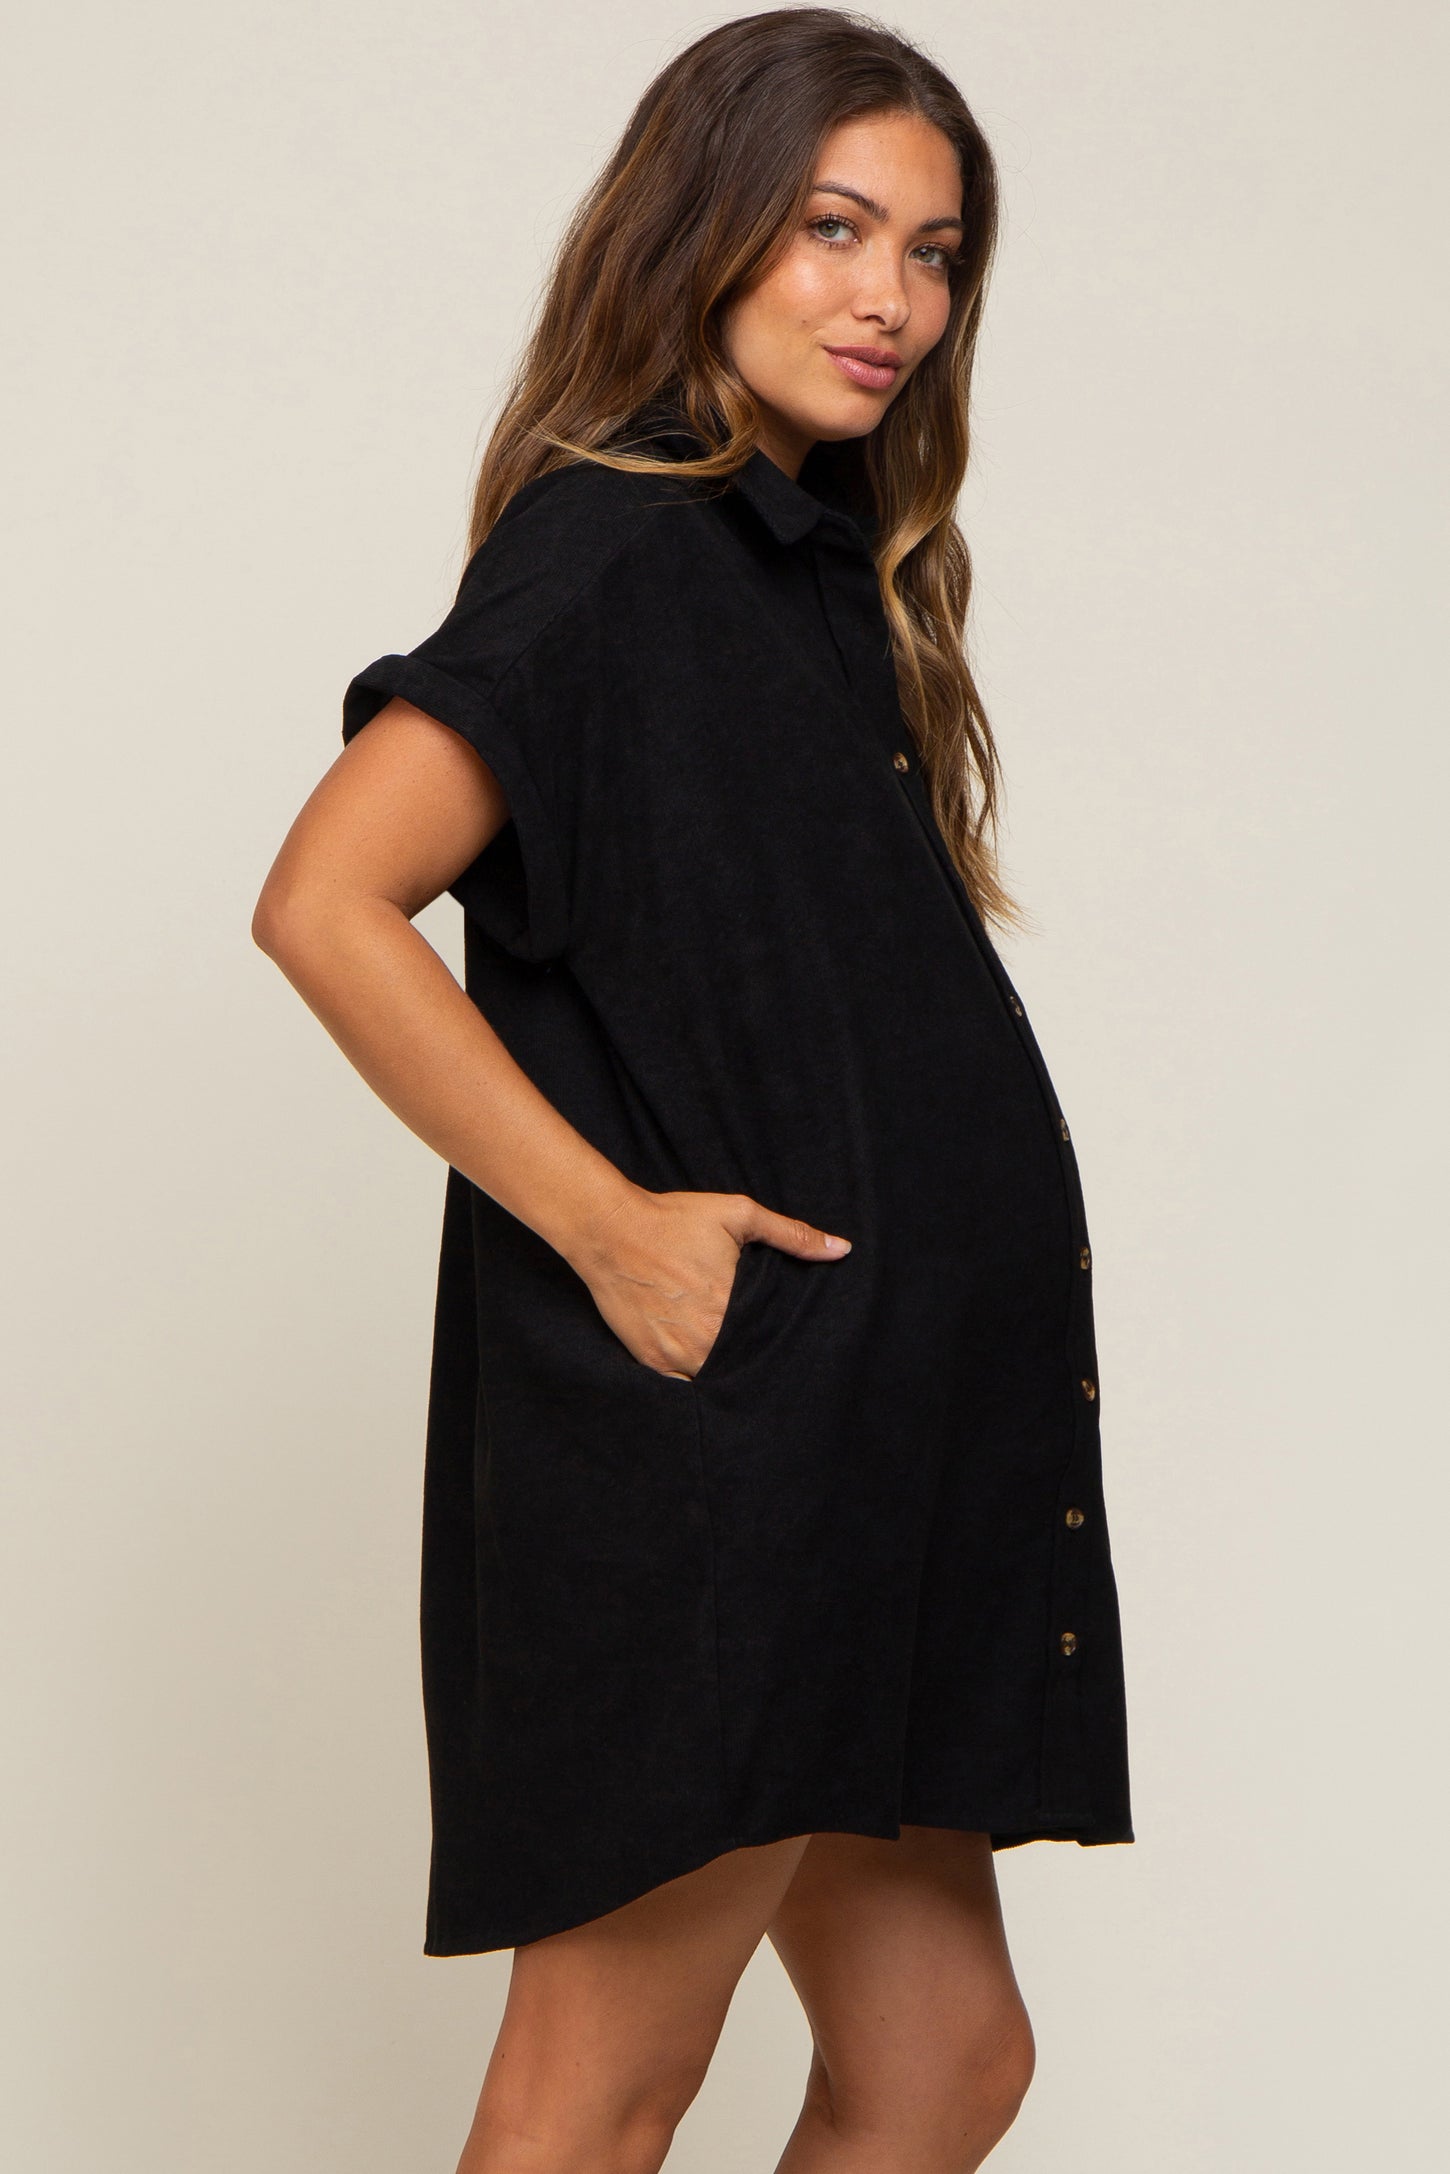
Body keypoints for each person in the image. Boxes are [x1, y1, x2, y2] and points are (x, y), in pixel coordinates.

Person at [253, 10, 1132, 2169]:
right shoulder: (618, 548)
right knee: (601, 2088)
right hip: (730, 1455)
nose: (889, 297)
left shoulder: (815, 574)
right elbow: (326, 899)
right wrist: (612, 1229)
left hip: (870, 1450)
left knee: (940, 2063)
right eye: (833, 229)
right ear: (702, 231)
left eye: (930, 252)